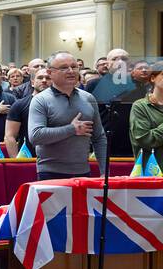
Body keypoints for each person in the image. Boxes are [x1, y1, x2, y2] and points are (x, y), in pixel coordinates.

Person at [28, 51, 108, 180]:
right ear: (50, 73)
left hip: (83, 172)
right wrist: (72, 129)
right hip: (50, 173)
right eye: (64, 68)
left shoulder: (88, 98)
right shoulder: (40, 100)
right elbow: (36, 136)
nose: (71, 71)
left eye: (74, 67)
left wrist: (105, 171)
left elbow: (99, 137)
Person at [3, 66, 49, 157]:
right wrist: (16, 163)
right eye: (40, 78)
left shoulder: (61, 103)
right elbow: (9, 136)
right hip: (27, 157)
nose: (44, 80)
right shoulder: (19, 105)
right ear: (32, 82)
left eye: (48, 78)